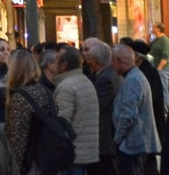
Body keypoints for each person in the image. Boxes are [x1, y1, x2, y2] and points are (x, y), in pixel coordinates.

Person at [112, 44, 161, 175]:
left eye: (113, 60)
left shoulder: (133, 79)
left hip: (134, 145)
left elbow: (128, 114)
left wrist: (117, 139)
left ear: (119, 60)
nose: (112, 65)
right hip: (136, 143)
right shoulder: (134, 76)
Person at [5, 48, 54, 174]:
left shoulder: (20, 98)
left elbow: (17, 140)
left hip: (31, 163)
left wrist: (12, 169)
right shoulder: (46, 91)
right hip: (49, 158)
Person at [54, 45, 100, 172]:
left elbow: (63, 122)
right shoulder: (85, 81)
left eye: (57, 60)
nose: (54, 64)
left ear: (64, 64)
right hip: (86, 149)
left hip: (73, 152)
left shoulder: (66, 87)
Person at [85, 42, 122, 175]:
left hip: (105, 138)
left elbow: (97, 106)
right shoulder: (110, 74)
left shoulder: (105, 78)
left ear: (96, 61)